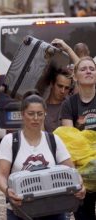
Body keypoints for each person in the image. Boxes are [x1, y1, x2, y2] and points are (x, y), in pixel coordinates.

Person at [0, 91, 86, 220]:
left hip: (54, 210)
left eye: (40, 114)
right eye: (31, 114)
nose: (35, 118)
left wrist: (81, 185)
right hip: (21, 210)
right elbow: (1, 175)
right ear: (22, 114)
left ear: (45, 114)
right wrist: (7, 191)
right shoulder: (10, 141)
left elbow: (72, 171)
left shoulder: (54, 140)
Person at [60, 56, 96, 220]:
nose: (88, 71)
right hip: (83, 173)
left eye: (92, 68)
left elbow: (77, 139)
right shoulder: (69, 104)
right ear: (75, 76)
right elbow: (69, 141)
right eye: (83, 69)